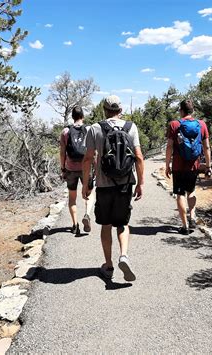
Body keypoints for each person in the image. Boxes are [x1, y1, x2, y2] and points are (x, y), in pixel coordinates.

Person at [82, 95, 144, 281]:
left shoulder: (95, 128)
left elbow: (88, 158)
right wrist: (140, 183)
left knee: (106, 225)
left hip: (104, 184)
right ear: (120, 110)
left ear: (104, 109)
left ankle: (108, 266)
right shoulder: (131, 127)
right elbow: (139, 157)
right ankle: (123, 255)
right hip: (125, 184)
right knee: (123, 223)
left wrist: (86, 184)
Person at [165, 99, 212, 235]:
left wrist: (167, 164)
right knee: (191, 191)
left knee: (180, 194)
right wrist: (208, 166)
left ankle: (185, 226)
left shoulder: (174, 125)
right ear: (193, 110)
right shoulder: (201, 124)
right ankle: (192, 216)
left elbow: (169, 147)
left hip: (178, 166)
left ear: (181, 110)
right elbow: (207, 146)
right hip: (194, 164)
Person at [59, 106, 94, 236]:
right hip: (86, 168)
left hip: (70, 168)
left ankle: (75, 225)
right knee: (89, 194)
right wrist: (95, 167)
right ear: (83, 116)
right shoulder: (89, 130)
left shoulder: (65, 131)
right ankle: (87, 214)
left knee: (72, 198)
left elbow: (62, 152)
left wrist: (63, 168)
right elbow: (93, 152)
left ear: (72, 116)